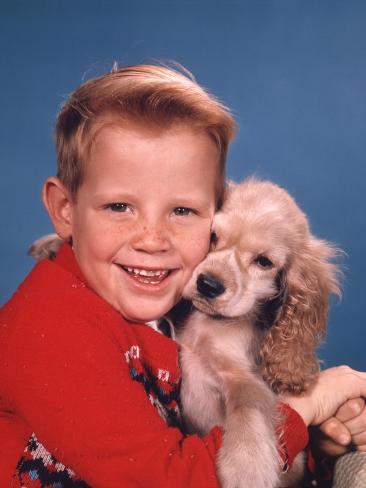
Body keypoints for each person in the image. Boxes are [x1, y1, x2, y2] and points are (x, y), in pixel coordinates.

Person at [0, 64, 365, 488]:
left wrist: (314, 440)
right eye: (119, 207)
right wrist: (306, 407)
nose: (153, 240)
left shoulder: (169, 302)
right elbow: (163, 479)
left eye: (182, 211)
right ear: (66, 211)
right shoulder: (49, 330)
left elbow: (205, 433)